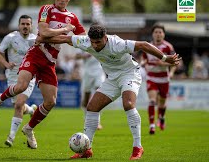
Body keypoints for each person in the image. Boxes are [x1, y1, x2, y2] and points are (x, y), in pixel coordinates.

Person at [36, 24, 181, 160]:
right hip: (112, 78)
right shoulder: (86, 41)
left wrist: (164, 58)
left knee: (128, 104)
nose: (95, 45)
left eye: (98, 42)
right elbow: (65, 38)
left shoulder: (117, 44)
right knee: (92, 107)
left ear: (105, 38)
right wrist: (42, 38)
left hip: (129, 73)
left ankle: (138, 147)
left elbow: (143, 45)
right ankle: (87, 149)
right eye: (93, 42)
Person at [0, 0, 86, 149]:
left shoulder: (73, 17)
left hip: (50, 62)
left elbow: (83, 39)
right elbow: (44, 32)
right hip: (36, 54)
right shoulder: (46, 9)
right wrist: (67, 32)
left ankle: (29, 128)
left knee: (51, 102)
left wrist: (87, 40)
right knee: (20, 86)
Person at [0, 15, 38, 147]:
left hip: (28, 76)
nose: (25, 26)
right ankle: (31, 110)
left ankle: (11, 136)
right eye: (23, 24)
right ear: (19, 25)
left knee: (18, 104)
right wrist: (6, 63)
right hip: (12, 76)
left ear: (31, 26)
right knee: (18, 105)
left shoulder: (35, 40)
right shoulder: (10, 37)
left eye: (28, 24)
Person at [141, 24, 177, 135]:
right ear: (152, 34)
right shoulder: (148, 46)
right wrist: (142, 63)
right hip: (151, 77)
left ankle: (161, 117)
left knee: (162, 103)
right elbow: (144, 60)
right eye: (156, 32)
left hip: (164, 78)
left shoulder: (168, 47)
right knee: (152, 100)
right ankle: (152, 126)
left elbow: (175, 62)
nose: (158, 34)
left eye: (160, 32)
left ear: (163, 34)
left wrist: (170, 71)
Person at [75, 50, 106, 130]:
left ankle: (97, 122)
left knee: (99, 94)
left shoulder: (101, 40)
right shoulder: (83, 41)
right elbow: (76, 56)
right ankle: (86, 118)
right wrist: (85, 55)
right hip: (87, 72)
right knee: (86, 98)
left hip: (99, 71)